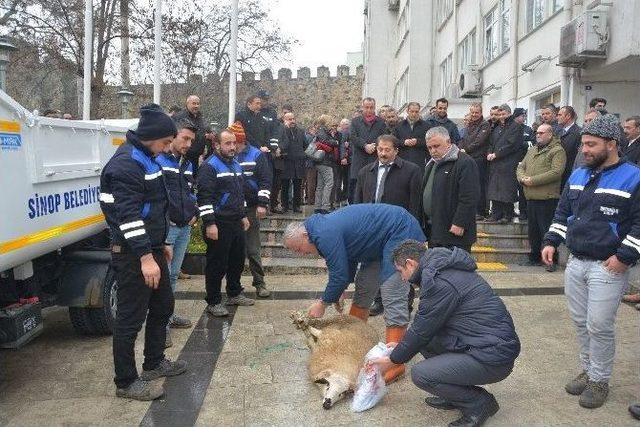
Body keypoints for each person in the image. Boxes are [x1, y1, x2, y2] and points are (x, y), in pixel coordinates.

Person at [542, 114, 640, 409]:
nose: (584, 150)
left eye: (591, 144)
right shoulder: (578, 174)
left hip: (607, 266)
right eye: (583, 143)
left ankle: (599, 380)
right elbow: (563, 213)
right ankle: (588, 370)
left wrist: (623, 258)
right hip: (576, 262)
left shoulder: (634, 177)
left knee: (599, 325)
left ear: (612, 144)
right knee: (581, 323)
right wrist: (551, 240)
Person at [370, 240, 520, 427]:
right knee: (427, 341)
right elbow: (425, 327)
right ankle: (456, 394)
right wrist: (400, 348)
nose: (402, 278)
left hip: (493, 356)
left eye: (401, 271)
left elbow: (421, 330)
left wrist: (393, 360)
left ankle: (478, 404)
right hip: (487, 346)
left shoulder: (438, 282)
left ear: (410, 263)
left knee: (421, 374)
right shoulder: (441, 270)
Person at [99, 104, 186, 401]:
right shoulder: (126, 164)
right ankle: (126, 382)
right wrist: (146, 258)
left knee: (163, 304)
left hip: (151, 248)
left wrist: (160, 245)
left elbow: (153, 209)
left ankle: (153, 362)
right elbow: (129, 217)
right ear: (152, 137)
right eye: (165, 142)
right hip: (132, 253)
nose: (167, 148)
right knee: (129, 318)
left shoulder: (147, 157)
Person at [283, 204, 426, 383]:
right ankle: (355, 342)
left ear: (305, 235)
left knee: (392, 292)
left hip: (398, 230)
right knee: (364, 286)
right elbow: (347, 258)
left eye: (298, 249)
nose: (301, 254)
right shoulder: (318, 231)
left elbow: (339, 274)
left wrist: (323, 303)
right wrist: (340, 289)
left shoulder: (323, 233)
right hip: (376, 245)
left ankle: (395, 363)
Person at [353, 134, 422, 317]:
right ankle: (378, 300)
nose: (382, 153)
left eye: (387, 150)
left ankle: (405, 303)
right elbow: (358, 203)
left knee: (401, 267)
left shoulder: (411, 170)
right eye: (380, 149)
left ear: (396, 151)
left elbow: (416, 204)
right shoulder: (365, 172)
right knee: (376, 265)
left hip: (399, 231)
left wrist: (413, 231)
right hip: (373, 231)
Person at [197, 130, 255, 317]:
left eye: (234, 143)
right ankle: (213, 301)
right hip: (219, 222)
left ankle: (234, 293)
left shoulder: (236, 164)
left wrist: (243, 215)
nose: (232, 147)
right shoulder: (209, 166)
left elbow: (239, 193)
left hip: (236, 221)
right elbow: (204, 197)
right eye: (227, 143)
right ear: (217, 145)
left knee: (237, 260)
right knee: (217, 264)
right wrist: (209, 223)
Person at [155, 118, 198, 348]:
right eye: (185, 138)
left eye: (191, 140)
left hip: (184, 227)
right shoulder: (159, 161)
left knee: (172, 276)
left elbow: (190, 191)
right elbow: (157, 197)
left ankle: (168, 317)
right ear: (173, 136)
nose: (188, 144)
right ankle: (160, 327)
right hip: (168, 229)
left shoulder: (187, 163)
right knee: (163, 278)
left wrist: (195, 213)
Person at [421, 127, 480, 253]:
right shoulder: (431, 164)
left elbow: (469, 197)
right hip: (435, 230)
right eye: (430, 147)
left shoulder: (464, 162)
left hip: (454, 232)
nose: (433, 151)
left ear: (448, 142)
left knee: (456, 270)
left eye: (436, 146)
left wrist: (460, 223)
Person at [516, 123, 566, 272]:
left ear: (550, 134)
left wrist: (533, 180)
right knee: (533, 231)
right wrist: (522, 178)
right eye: (537, 133)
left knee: (546, 230)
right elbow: (520, 166)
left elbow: (556, 172)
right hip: (531, 197)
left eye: (541, 133)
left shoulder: (558, 151)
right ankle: (535, 257)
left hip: (547, 199)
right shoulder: (532, 150)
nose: (538, 135)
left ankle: (551, 260)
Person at [231, 121, 273, 299]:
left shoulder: (256, 155)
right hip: (232, 210)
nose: (233, 147)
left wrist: (262, 203)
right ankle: (234, 286)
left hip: (250, 208)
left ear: (241, 141)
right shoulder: (227, 155)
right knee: (234, 250)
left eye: (236, 143)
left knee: (253, 248)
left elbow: (265, 180)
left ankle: (259, 283)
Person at [486, 104, 524, 223]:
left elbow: (511, 145)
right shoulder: (497, 128)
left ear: (509, 113)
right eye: (500, 114)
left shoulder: (515, 126)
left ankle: (507, 215)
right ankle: (496, 214)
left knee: (507, 189)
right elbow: (491, 143)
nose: (501, 117)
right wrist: (489, 152)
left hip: (508, 162)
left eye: (504, 114)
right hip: (495, 163)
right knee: (494, 188)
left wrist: (497, 154)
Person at [349, 97, 387, 203]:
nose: (369, 110)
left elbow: (383, 137)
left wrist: (374, 145)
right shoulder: (355, 122)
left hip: (374, 158)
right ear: (362, 107)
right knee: (357, 188)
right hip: (359, 159)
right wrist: (365, 145)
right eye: (367, 107)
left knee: (373, 186)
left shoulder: (381, 122)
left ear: (374, 108)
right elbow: (353, 137)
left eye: (371, 107)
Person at [459, 103, 492, 219]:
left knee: (479, 186)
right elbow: (462, 139)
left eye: (476, 112)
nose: (474, 114)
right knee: (470, 186)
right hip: (468, 158)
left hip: (479, 159)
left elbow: (479, 141)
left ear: (481, 113)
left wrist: (465, 149)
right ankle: (472, 210)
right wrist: (460, 149)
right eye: (472, 112)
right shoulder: (469, 124)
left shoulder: (485, 125)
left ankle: (481, 211)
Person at [173, 95, 213, 172]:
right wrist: (205, 136)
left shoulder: (199, 117)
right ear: (187, 104)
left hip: (195, 156)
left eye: (198, 104)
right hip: (184, 155)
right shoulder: (180, 117)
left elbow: (202, 130)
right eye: (194, 103)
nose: (196, 106)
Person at [278, 112, 307, 213]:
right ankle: (284, 206)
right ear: (285, 120)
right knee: (285, 185)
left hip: (298, 161)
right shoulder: (282, 131)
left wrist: (301, 154)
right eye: (290, 119)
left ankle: (296, 206)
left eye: (293, 119)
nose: (292, 121)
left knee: (298, 185)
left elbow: (305, 145)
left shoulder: (300, 131)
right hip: (286, 161)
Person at [393, 101, 430, 174]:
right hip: (403, 161)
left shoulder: (426, 126)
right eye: (412, 111)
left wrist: (417, 141)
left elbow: (430, 142)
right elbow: (394, 141)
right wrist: (404, 142)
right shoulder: (399, 126)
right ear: (407, 111)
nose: (414, 114)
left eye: (416, 112)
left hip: (419, 162)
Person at [313, 115, 339, 214]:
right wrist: (335, 141)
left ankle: (318, 206)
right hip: (325, 161)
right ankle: (325, 207)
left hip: (320, 161)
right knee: (329, 183)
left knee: (320, 185)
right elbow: (327, 142)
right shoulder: (323, 131)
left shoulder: (319, 131)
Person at [512, 108, 534, 221]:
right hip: (511, 162)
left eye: (525, 116)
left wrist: (522, 143)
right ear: (516, 116)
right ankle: (510, 210)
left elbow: (532, 143)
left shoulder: (528, 129)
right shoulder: (511, 127)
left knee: (522, 187)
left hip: (524, 162)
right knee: (511, 187)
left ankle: (523, 211)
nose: (524, 118)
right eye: (522, 116)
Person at [557, 106, 582, 189]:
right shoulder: (557, 131)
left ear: (568, 116)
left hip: (570, 172)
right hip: (557, 172)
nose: (558, 117)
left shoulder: (579, 132)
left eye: (560, 115)